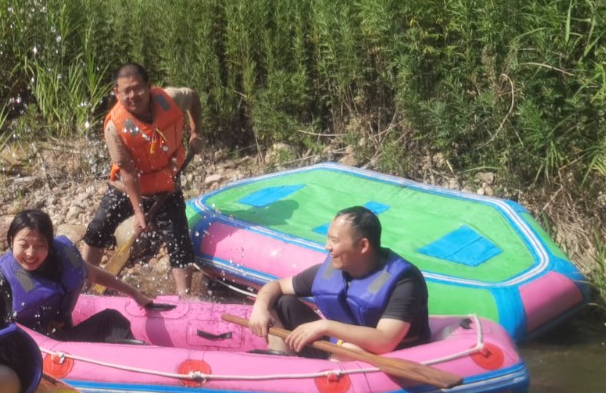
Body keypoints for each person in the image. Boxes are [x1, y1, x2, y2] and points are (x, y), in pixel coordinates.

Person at [80, 64, 203, 297]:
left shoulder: (171, 98)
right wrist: (138, 211)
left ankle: (184, 296)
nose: (132, 96)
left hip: (167, 184)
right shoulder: (114, 127)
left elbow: (194, 98)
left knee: (179, 241)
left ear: (148, 86)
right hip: (126, 187)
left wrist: (196, 132)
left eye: (137, 89)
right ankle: (83, 286)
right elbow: (128, 172)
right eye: (125, 91)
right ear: (116, 93)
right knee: (98, 229)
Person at [246, 206, 431, 355]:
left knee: (349, 350)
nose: (327, 246)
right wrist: (260, 307)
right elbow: (277, 285)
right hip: (340, 344)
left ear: (363, 245)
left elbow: (385, 341)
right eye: (328, 239)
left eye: (334, 241)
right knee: (280, 301)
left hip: (386, 354)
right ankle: (280, 355)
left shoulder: (404, 282)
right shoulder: (334, 269)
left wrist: (324, 326)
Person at [0, 209, 159, 344]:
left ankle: (140, 362)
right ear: (11, 242)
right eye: (23, 245)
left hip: (64, 341)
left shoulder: (63, 259)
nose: (30, 253)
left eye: (39, 246)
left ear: (49, 245)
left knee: (111, 320)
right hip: (31, 351)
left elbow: (95, 275)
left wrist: (134, 293)